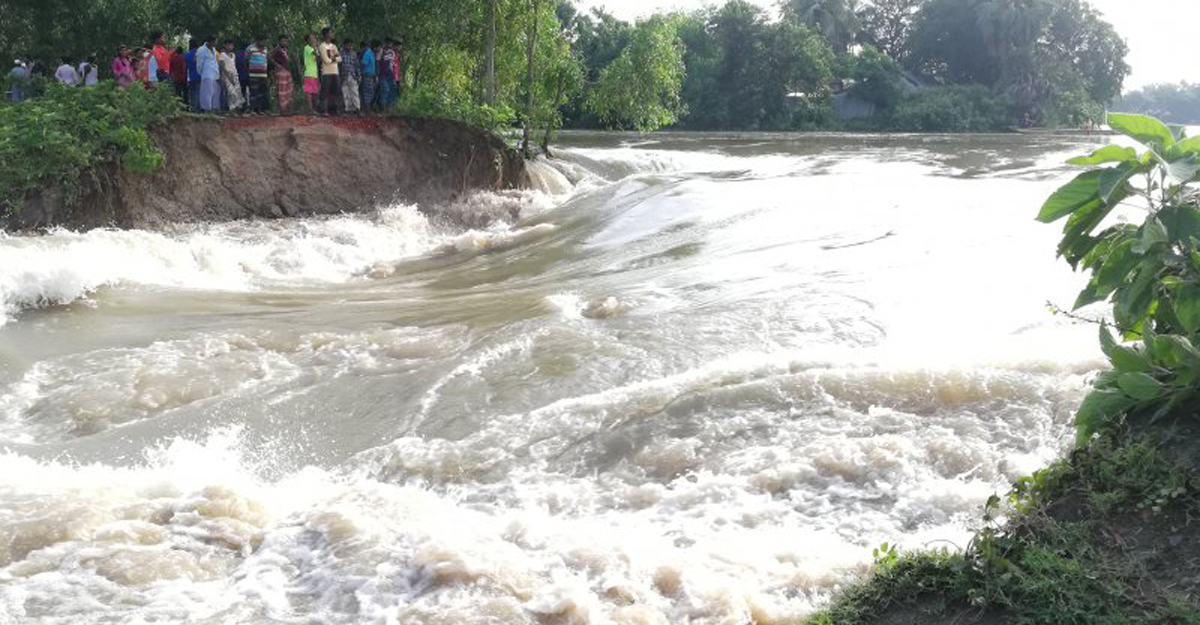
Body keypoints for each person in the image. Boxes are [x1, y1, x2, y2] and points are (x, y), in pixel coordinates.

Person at [317, 27, 342, 116]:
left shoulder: (334, 46)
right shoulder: (322, 46)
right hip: (326, 72)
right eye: (331, 32)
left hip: (335, 71)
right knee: (325, 92)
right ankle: (324, 110)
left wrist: (332, 58)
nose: (332, 34)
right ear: (326, 34)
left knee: (336, 91)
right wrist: (334, 58)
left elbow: (340, 59)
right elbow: (326, 60)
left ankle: (335, 110)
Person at [196, 37, 221, 111]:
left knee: (215, 92)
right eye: (215, 42)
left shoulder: (214, 49)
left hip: (214, 74)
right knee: (207, 92)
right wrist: (201, 72)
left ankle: (214, 108)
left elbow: (215, 62)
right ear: (210, 42)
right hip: (206, 73)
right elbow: (199, 63)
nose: (216, 44)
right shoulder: (201, 50)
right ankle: (207, 109)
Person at [246, 37, 270, 114]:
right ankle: (253, 109)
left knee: (262, 92)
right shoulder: (250, 48)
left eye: (264, 41)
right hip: (253, 74)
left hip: (263, 74)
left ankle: (261, 110)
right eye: (261, 41)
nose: (262, 42)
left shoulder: (265, 49)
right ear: (257, 41)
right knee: (253, 92)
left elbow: (266, 60)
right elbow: (246, 59)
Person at [271, 35, 294, 115]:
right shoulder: (276, 49)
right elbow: (270, 58)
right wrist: (276, 65)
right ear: (279, 41)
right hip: (280, 72)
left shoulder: (286, 50)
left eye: (286, 41)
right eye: (282, 41)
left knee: (288, 90)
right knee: (281, 91)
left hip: (287, 71)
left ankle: (288, 110)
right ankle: (282, 111)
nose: (284, 43)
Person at [219, 41, 244, 112]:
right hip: (227, 75)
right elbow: (222, 67)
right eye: (228, 45)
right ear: (225, 45)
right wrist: (229, 77)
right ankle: (231, 109)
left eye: (231, 45)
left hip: (235, 75)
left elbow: (233, 66)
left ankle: (237, 109)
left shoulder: (233, 55)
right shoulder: (222, 55)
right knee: (231, 92)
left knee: (237, 92)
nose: (230, 47)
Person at [340, 39, 361, 114]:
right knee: (345, 93)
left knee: (355, 92)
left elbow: (357, 66)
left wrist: (359, 76)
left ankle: (357, 108)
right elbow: (339, 65)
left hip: (352, 75)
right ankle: (348, 109)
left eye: (351, 45)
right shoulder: (341, 54)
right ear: (344, 45)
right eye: (348, 45)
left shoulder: (354, 54)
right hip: (344, 75)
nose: (350, 47)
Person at [302, 33, 320, 114]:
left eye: (314, 38)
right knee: (309, 92)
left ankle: (314, 109)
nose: (314, 39)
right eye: (311, 38)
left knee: (315, 92)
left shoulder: (313, 48)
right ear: (307, 41)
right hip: (309, 74)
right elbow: (317, 55)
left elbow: (318, 59)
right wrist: (317, 46)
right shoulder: (307, 48)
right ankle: (310, 109)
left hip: (314, 74)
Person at [378, 38, 398, 111]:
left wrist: (395, 76)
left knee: (391, 90)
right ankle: (382, 107)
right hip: (382, 74)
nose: (389, 45)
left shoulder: (392, 52)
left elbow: (393, 64)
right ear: (385, 43)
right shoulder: (381, 51)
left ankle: (389, 108)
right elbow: (378, 62)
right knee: (385, 89)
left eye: (390, 44)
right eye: (388, 43)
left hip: (390, 74)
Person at [360, 40, 378, 114]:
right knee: (367, 92)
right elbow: (363, 64)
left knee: (371, 92)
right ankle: (366, 110)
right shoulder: (368, 53)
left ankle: (367, 109)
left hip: (371, 75)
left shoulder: (372, 54)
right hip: (366, 75)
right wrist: (362, 74)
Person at [185, 40, 201, 110]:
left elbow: (186, 67)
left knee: (192, 92)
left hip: (191, 76)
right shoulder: (200, 54)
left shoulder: (187, 54)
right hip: (200, 75)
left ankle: (193, 107)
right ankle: (198, 107)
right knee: (198, 92)